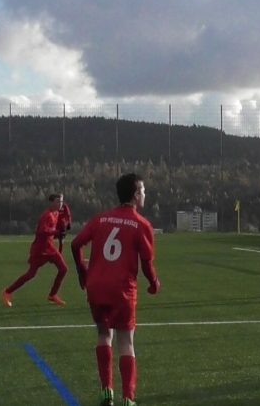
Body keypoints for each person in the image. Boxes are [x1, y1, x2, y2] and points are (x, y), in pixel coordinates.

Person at [71, 173, 159, 406]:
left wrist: (82, 271)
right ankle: (128, 398)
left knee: (103, 334)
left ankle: (106, 392)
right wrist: (153, 283)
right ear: (135, 195)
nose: (145, 194)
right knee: (126, 341)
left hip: (96, 287)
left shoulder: (100, 219)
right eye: (143, 190)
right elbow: (146, 264)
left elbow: (76, 243)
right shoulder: (141, 225)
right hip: (122, 290)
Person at [2, 194, 69, 307]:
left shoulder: (56, 214)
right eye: (58, 202)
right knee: (31, 274)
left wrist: (59, 234)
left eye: (61, 202)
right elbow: (42, 231)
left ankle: (52, 295)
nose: (60, 204)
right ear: (51, 203)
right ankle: (7, 292)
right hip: (40, 250)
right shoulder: (46, 215)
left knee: (64, 269)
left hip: (50, 248)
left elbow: (51, 232)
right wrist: (57, 232)